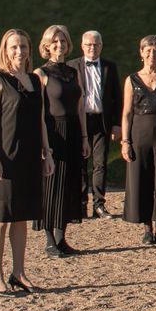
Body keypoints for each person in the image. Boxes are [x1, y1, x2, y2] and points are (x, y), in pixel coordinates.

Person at [0, 29, 53, 297]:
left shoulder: (36, 80)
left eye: (23, 46)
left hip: (29, 156)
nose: (19, 51)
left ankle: (19, 272)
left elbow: (41, 119)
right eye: (14, 47)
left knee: (21, 216)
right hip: (5, 157)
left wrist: (46, 152)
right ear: (5, 49)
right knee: (0, 217)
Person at [33, 24, 90, 257]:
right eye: (55, 42)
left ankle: (61, 237)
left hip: (73, 132)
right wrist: (43, 144)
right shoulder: (41, 74)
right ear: (47, 46)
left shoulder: (74, 72)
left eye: (63, 42)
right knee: (51, 186)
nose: (60, 46)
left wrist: (85, 137)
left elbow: (80, 107)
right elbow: (38, 111)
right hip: (52, 132)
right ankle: (49, 240)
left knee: (68, 185)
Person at [120, 35, 156, 245]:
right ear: (141, 53)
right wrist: (125, 142)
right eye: (147, 50)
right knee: (142, 181)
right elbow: (127, 113)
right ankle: (147, 228)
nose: (151, 54)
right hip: (139, 136)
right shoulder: (132, 79)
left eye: (155, 51)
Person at [70, 30, 123, 219]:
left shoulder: (109, 67)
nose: (92, 48)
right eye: (89, 45)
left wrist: (117, 124)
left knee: (100, 163)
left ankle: (99, 204)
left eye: (96, 44)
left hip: (102, 121)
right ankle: (81, 203)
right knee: (81, 163)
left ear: (101, 46)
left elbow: (117, 97)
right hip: (80, 122)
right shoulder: (72, 66)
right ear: (82, 46)